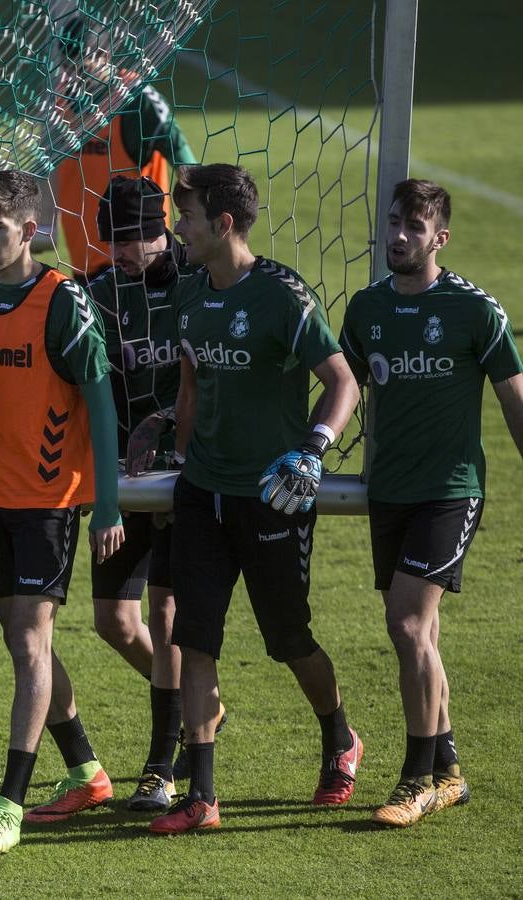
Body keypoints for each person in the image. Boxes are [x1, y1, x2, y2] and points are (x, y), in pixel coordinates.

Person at [145, 163, 362, 835]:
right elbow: (190, 386)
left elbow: (342, 380)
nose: (178, 228)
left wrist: (313, 448)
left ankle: (340, 736)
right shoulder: (188, 292)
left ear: (224, 224)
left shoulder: (280, 297)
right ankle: (203, 797)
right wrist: (176, 454)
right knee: (194, 641)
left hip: (270, 497)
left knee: (287, 639)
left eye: (187, 218)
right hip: (202, 493)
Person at [339, 179, 523, 828]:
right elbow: (344, 389)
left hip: (450, 492)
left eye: (413, 228)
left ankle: (415, 779)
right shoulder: (365, 309)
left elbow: (515, 403)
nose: (398, 236)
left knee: (409, 626)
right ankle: (449, 771)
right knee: (424, 637)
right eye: (393, 222)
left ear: (439, 238)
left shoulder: (475, 311)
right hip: (387, 489)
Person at [0, 171, 124, 854]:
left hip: (51, 500)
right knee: (22, 642)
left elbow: (101, 404)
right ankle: (85, 769)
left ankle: (8, 806)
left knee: (30, 644)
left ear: (29, 231)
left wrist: (108, 504)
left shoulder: (64, 301)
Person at [85, 175, 198, 810]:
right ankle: (191, 707)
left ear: (162, 231)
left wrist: (165, 423)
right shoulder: (100, 293)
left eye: (134, 239)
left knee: (166, 613)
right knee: (113, 622)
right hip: (123, 481)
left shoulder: (197, 285)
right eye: (114, 240)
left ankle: (161, 765)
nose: (122, 251)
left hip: (185, 477)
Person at [52, 12, 196, 284]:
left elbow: (186, 162)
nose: (75, 78)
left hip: (138, 262)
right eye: (68, 68)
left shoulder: (134, 100)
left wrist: (194, 225)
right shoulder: (58, 103)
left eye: (82, 67)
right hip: (84, 263)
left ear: (104, 55)